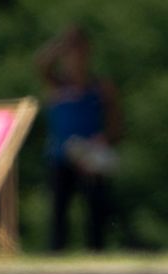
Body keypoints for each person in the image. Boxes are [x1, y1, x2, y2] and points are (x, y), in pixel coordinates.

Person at [36, 25, 122, 252]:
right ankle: (56, 253)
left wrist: (105, 141)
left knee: (96, 209)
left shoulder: (100, 88)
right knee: (59, 209)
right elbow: (41, 64)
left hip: (90, 157)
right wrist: (61, 44)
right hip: (61, 156)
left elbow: (115, 124)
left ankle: (96, 251)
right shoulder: (57, 85)